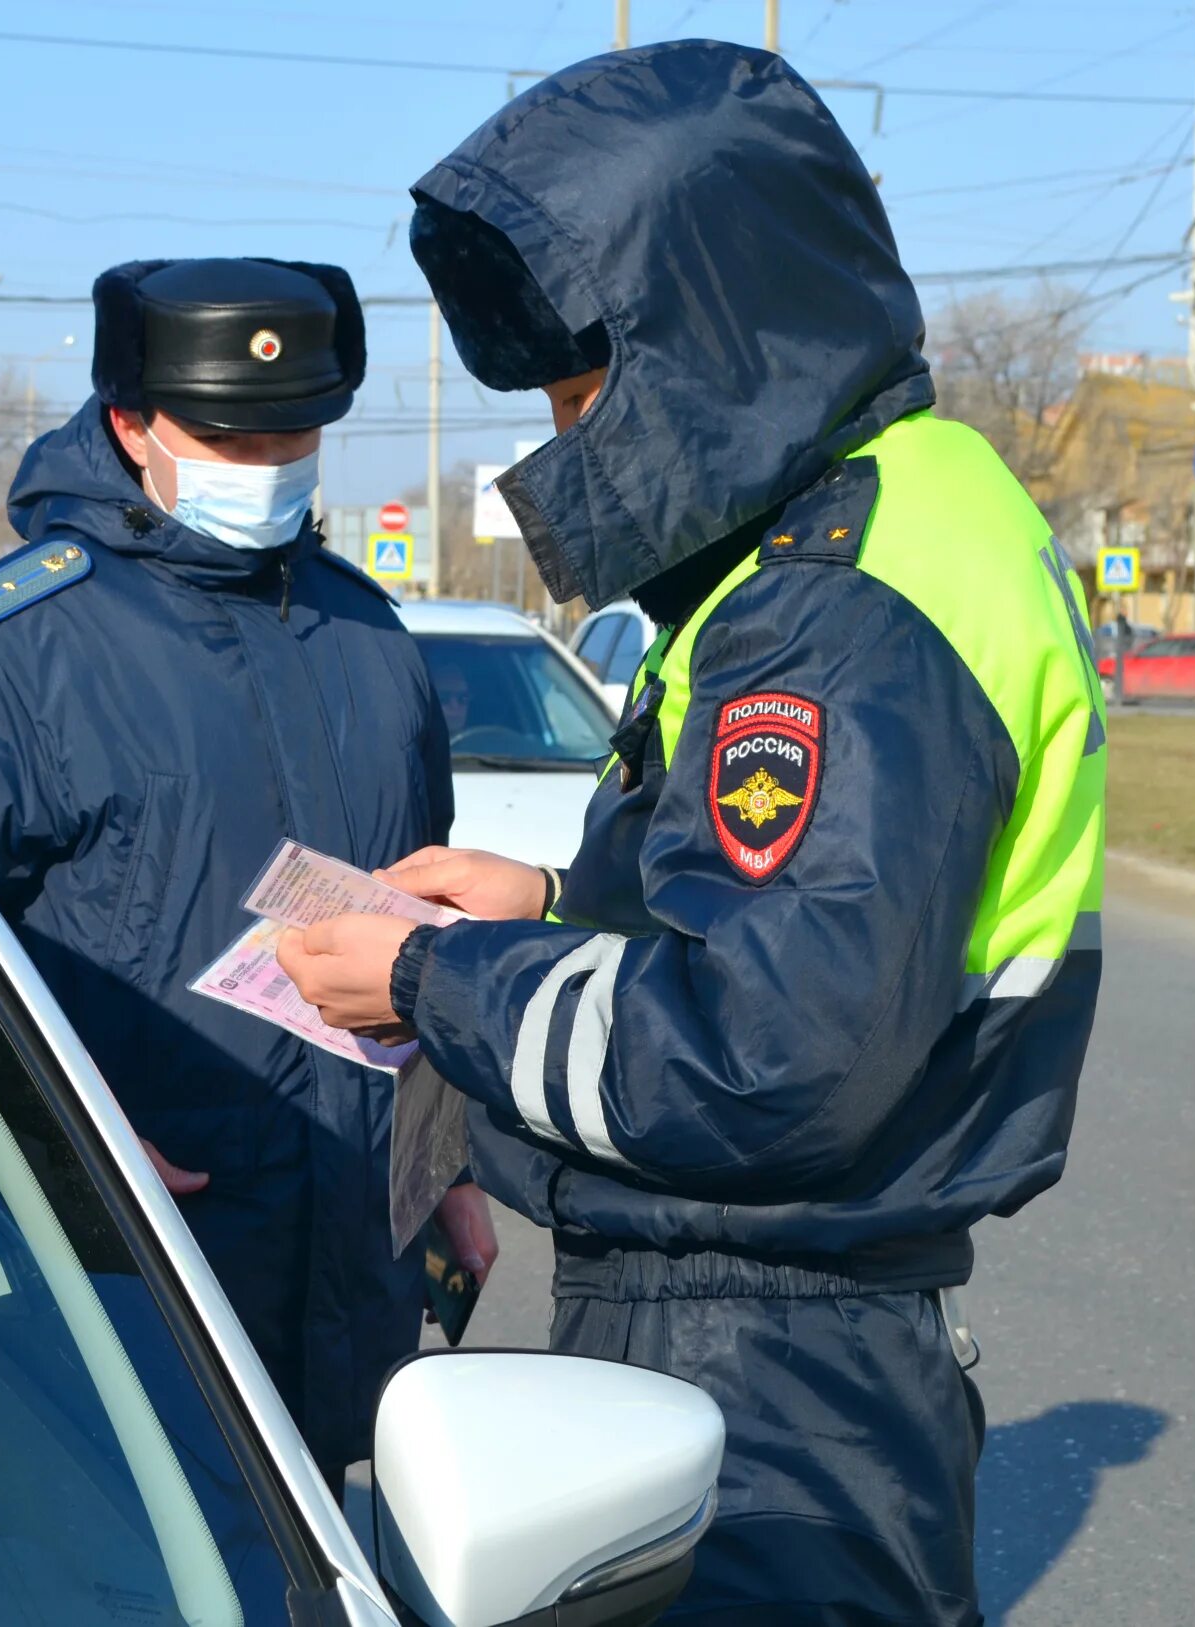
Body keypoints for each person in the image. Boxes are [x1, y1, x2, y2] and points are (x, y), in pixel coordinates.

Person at [278, 42, 1103, 1625]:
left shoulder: (836, 600)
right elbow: (757, 922)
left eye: (585, 380)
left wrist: (439, 977)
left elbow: (763, 1054)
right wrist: (534, 898)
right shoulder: (855, 528)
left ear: (712, 330)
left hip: (759, 1369)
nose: (567, 429)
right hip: (780, 1352)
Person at [0, 257, 491, 1479]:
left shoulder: (370, 636)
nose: (263, 465)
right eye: (223, 435)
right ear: (128, 423)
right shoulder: (5, 646)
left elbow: (415, 926)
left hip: (350, 1261)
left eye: (292, 433)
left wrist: (450, 1170)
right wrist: (60, 1136)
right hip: (132, 1273)